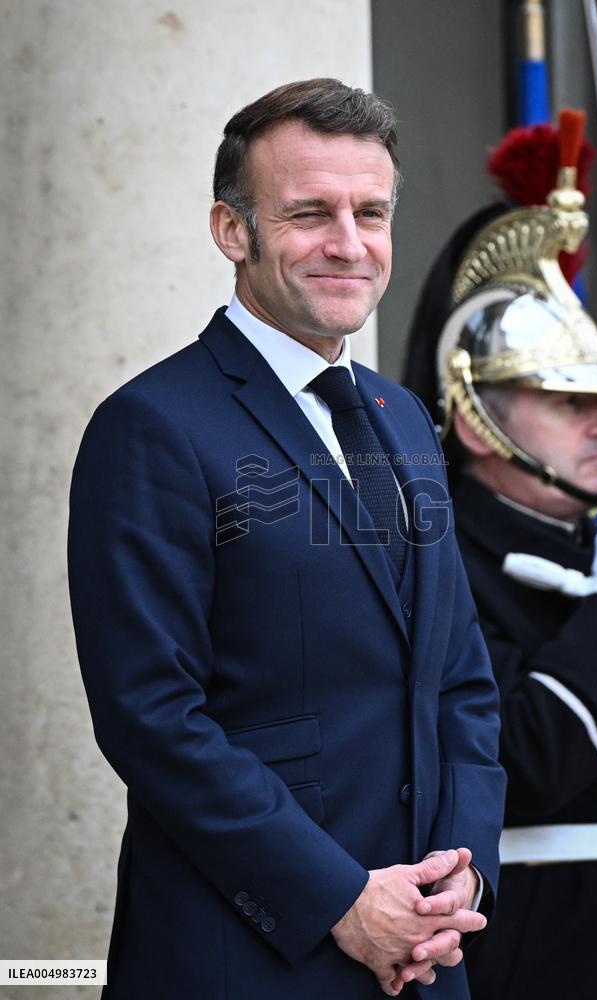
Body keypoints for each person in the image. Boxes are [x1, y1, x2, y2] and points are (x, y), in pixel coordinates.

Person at [68, 78, 505, 1000]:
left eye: (371, 213)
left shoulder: (403, 414)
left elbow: (460, 677)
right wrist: (340, 899)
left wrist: (464, 874)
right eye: (310, 213)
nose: (349, 243)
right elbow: (152, 716)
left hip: (428, 955)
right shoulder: (151, 425)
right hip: (244, 957)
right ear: (233, 231)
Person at [403, 120, 597, 999]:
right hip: (533, 958)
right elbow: (520, 760)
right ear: (480, 420)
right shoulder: (433, 560)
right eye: (569, 400)